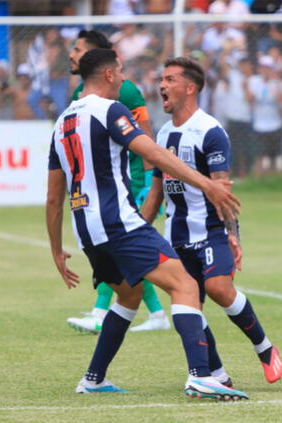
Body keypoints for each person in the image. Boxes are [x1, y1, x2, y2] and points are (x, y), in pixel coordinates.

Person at [46, 48, 248, 400]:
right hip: (119, 223)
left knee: (129, 294)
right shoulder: (110, 110)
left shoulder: (62, 122)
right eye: (121, 72)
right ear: (109, 74)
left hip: (87, 230)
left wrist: (55, 249)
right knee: (184, 284)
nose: (124, 79)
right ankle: (201, 376)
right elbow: (153, 153)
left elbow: (53, 196)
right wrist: (208, 185)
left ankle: (93, 378)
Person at [140, 57, 282, 385]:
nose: (162, 85)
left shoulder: (210, 131)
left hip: (211, 230)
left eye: (170, 80)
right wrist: (136, 232)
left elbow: (223, 190)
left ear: (190, 88)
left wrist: (234, 235)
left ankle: (265, 349)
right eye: (162, 79)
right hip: (175, 234)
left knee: (219, 287)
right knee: (188, 308)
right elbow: (155, 192)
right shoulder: (162, 134)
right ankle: (217, 375)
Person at [64, 30, 170, 333]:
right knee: (116, 248)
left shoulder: (125, 91)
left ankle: (102, 312)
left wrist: (151, 183)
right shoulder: (79, 96)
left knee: (116, 246)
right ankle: (156, 315)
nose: (72, 54)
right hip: (101, 186)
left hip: (131, 181)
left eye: (78, 49)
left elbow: (146, 138)